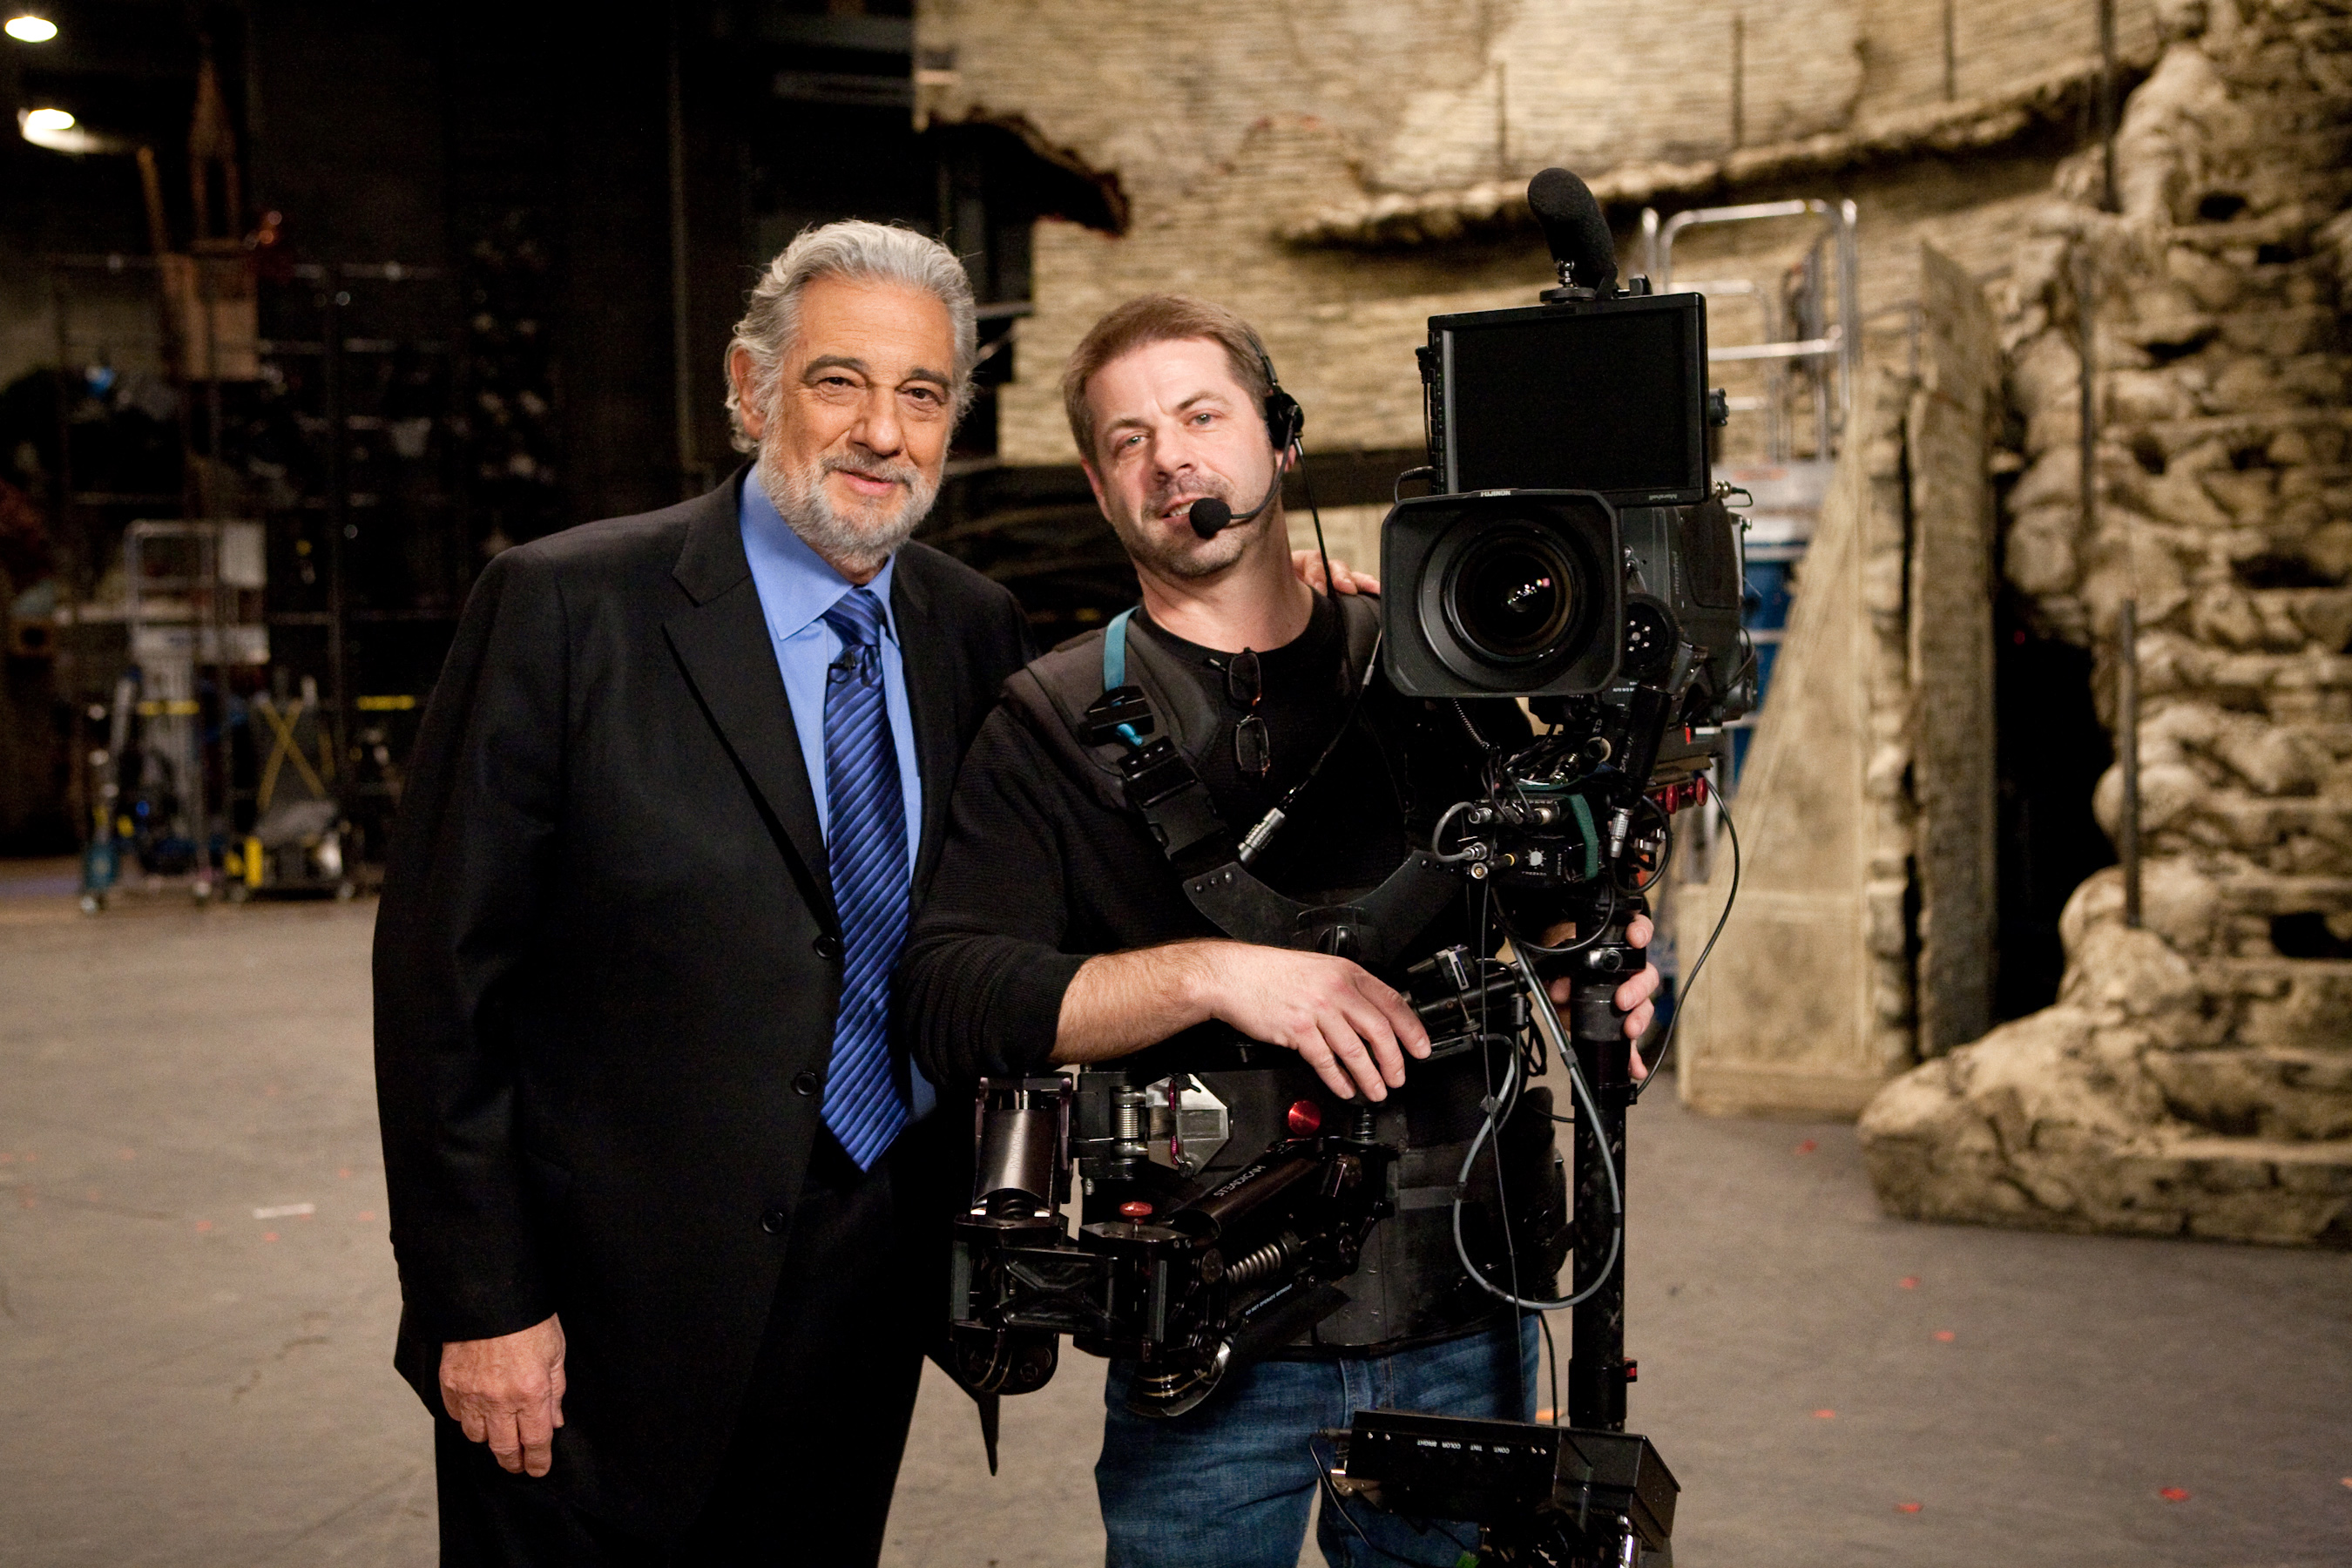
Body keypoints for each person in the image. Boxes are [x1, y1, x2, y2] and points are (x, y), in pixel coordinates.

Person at [899, 294, 1660, 1568]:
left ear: (1281, 439)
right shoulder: (1048, 719)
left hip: (1460, 1327)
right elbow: (951, 992)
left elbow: (1573, 912)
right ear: (1098, 485)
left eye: (1203, 416)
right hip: (1205, 1344)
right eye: (1129, 438)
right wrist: (1214, 974)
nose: (1170, 458)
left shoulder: (1439, 681)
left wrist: (1629, 988)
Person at [372, 221, 1037, 1566]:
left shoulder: (970, 628)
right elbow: (441, 986)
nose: (882, 433)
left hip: (870, 1268)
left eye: (922, 395)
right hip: (597, 1317)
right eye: (838, 381)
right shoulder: (563, 609)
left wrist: (1288, 604)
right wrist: (482, 1301)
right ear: (749, 390)